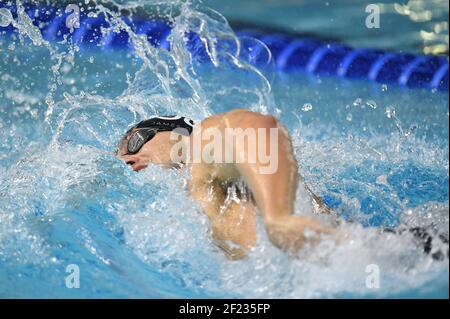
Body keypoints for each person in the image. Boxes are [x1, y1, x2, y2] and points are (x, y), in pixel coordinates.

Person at [116, 110, 448, 260]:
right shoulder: (198, 188)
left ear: (173, 129)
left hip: (385, 254)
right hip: (388, 250)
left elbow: (259, 126)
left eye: (135, 142)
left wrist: (278, 218)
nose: (130, 159)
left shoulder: (203, 140)